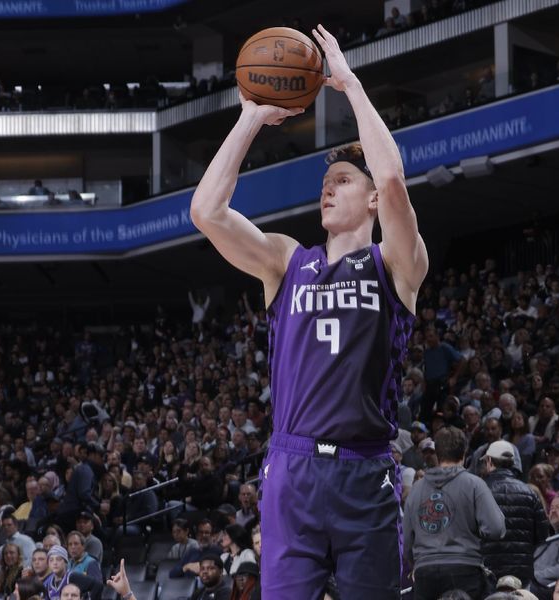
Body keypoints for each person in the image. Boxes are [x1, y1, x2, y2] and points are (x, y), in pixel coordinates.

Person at [189, 23, 428, 599]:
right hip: (292, 468)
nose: (327, 189)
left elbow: (392, 177)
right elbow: (206, 210)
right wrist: (249, 117)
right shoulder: (286, 261)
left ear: (370, 199)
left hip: (364, 469)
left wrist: (348, 86)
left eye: (342, 180)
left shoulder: (395, 263)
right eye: (324, 182)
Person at [403, 426, 506, 600]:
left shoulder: (416, 489)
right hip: (465, 568)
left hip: (425, 571)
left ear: (438, 452)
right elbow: (496, 529)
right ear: (464, 453)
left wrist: (418, 562)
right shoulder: (475, 484)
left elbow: (407, 541)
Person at [479, 440, 549, 587]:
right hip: (521, 572)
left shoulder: (477, 491)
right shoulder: (530, 493)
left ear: (489, 461)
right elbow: (543, 535)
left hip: (486, 571)